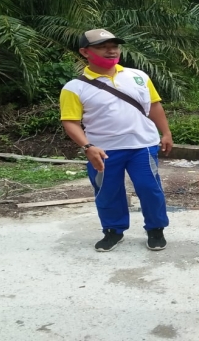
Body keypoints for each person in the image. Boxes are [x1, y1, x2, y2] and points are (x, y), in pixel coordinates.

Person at [60, 29, 173, 252]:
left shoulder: (138, 76)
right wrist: (87, 147)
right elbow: (70, 122)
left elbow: (154, 106)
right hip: (103, 151)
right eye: (102, 47)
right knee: (107, 191)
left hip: (142, 145)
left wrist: (166, 132)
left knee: (149, 188)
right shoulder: (74, 87)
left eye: (114, 46)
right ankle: (113, 230)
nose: (111, 51)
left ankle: (156, 229)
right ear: (85, 52)